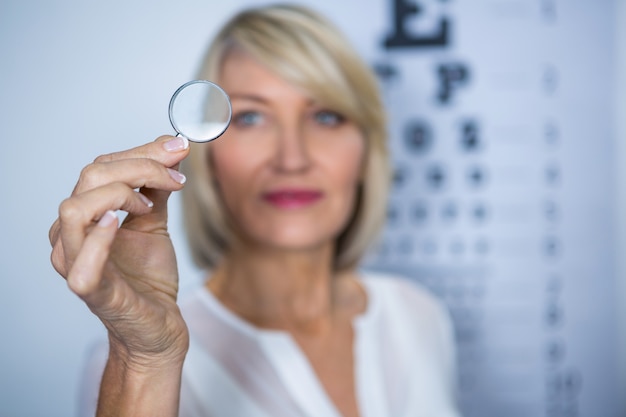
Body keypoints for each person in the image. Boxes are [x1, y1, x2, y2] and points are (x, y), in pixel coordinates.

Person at [49, 4, 459, 417]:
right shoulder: (129, 360)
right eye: (250, 118)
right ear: (207, 158)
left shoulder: (418, 315)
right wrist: (145, 361)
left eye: (326, 116)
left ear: (366, 150)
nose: (292, 158)